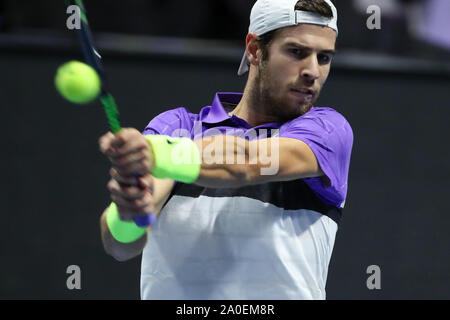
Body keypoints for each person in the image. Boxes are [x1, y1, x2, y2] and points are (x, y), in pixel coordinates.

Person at [98, 0, 353, 300]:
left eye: (324, 58)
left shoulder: (327, 130)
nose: (313, 71)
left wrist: (161, 154)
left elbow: (251, 162)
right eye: (297, 52)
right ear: (255, 50)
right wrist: (129, 213)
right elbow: (119, 247)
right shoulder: (174, 126)